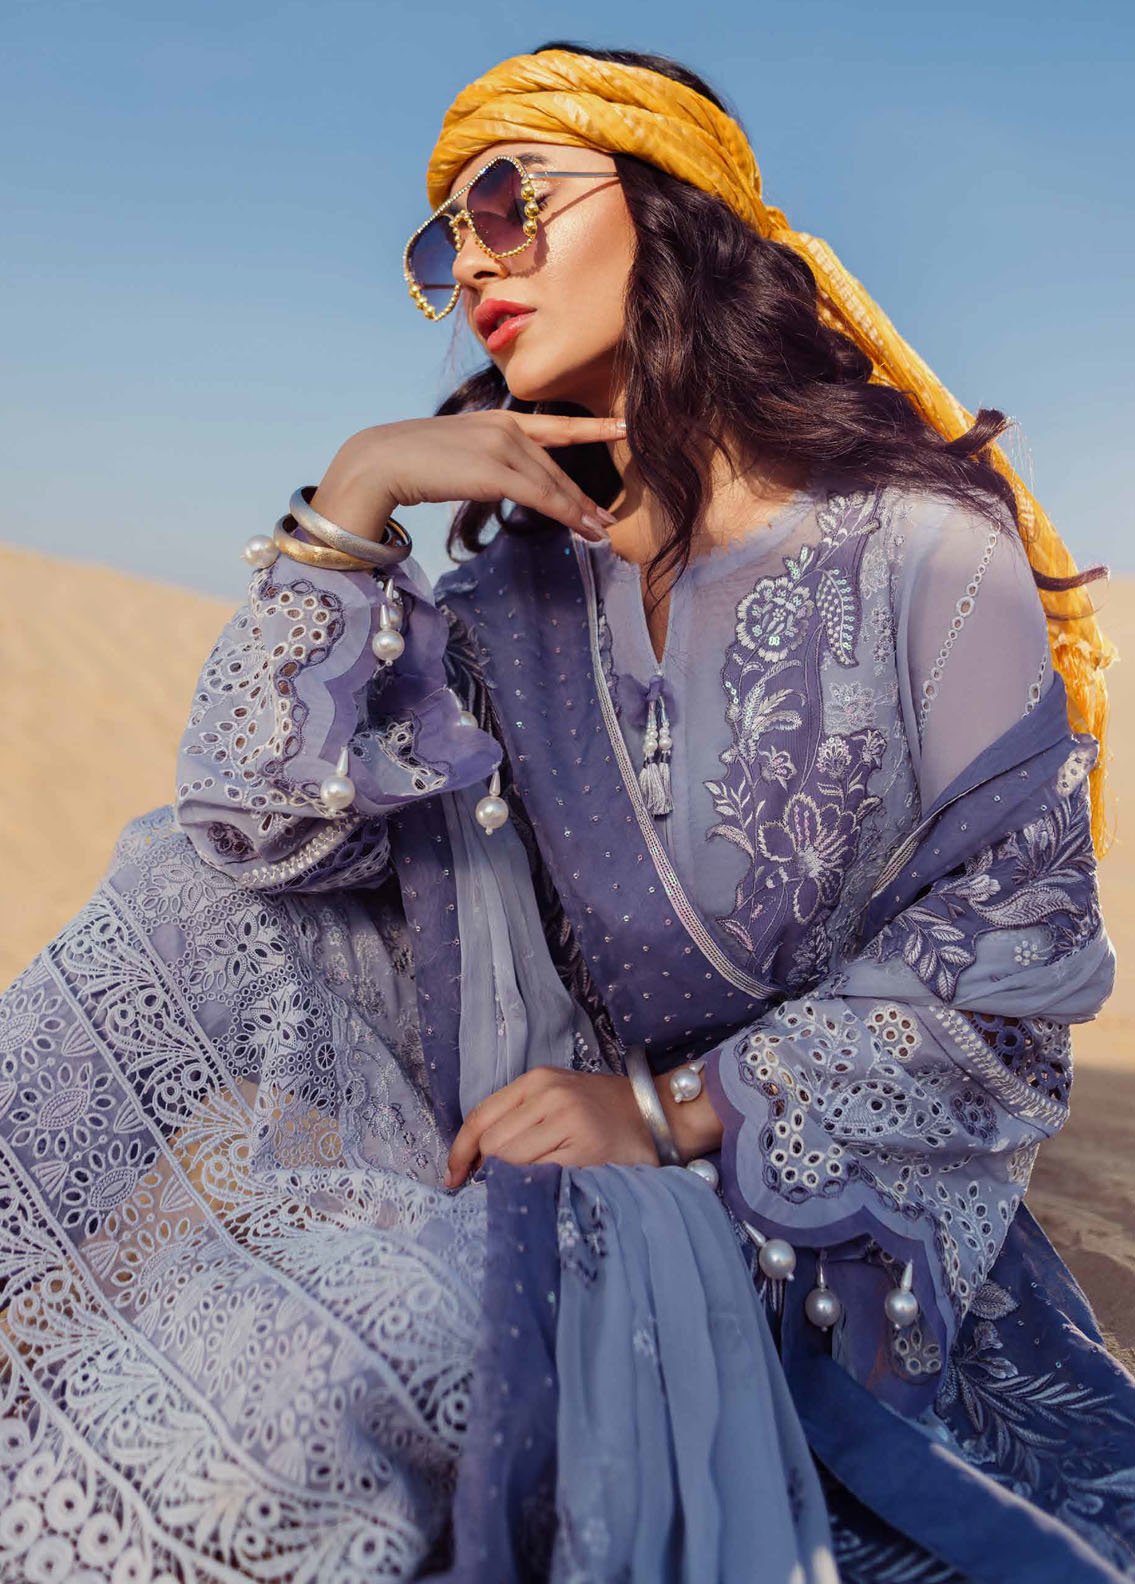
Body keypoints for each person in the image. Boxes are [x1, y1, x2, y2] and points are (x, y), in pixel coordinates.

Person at [0, 37, 1132, 1584]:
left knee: (301, 1398)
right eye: (444, 242)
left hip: (818, 1218)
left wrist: (665, 1115)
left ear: (668, 207)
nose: (472, 264)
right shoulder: (510, 610)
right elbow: (259, 835)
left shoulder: (924, 553)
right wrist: (351, 495)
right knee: (183, 912)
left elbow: (1018, 964)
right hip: (523, 1160)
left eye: (506, 202)